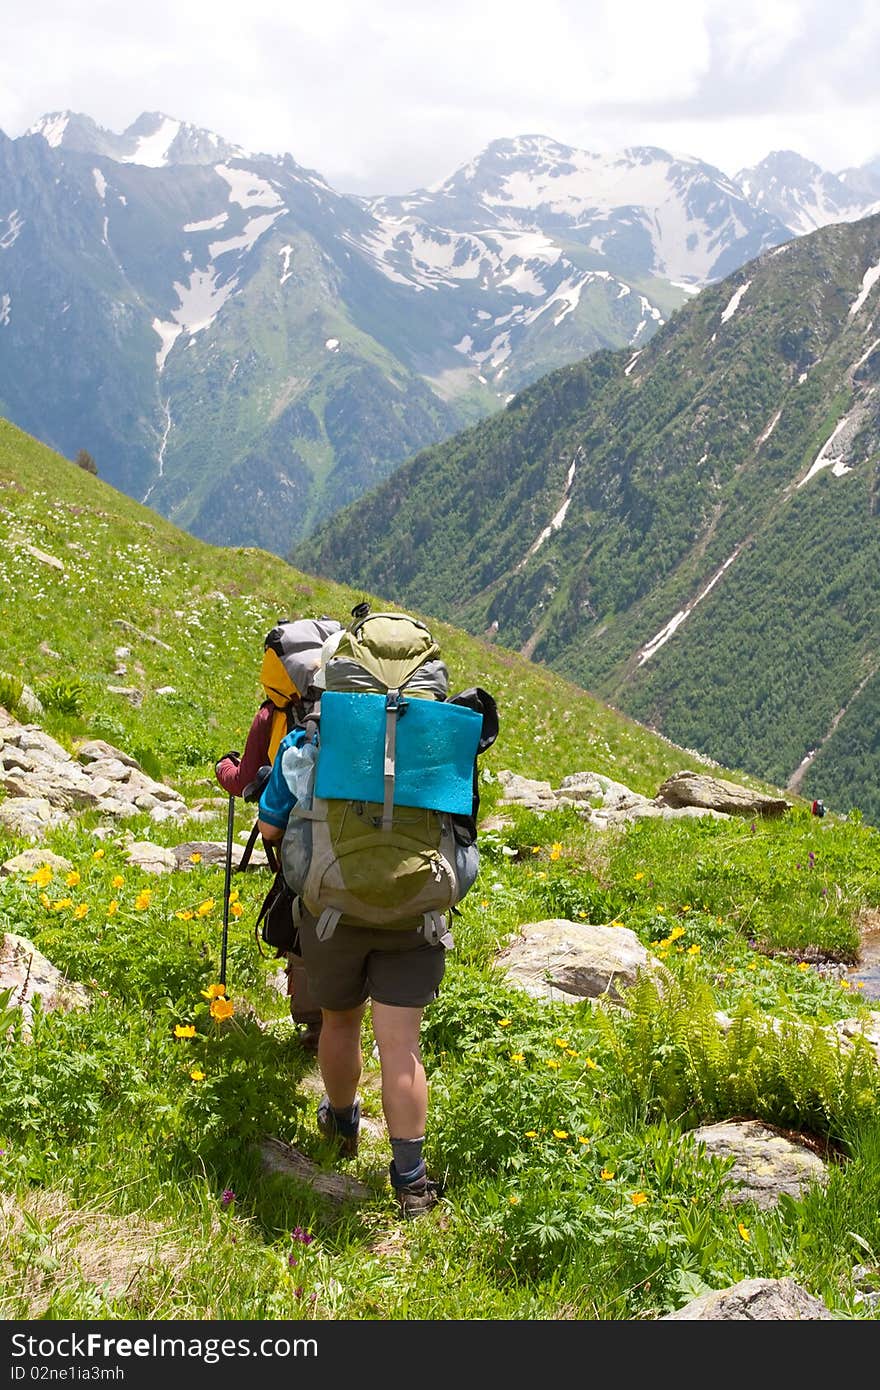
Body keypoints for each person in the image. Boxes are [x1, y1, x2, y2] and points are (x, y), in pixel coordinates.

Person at [256, 710, 448, 1220]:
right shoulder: (437, 735)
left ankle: (341, 1127)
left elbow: (270, 828)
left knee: (340, 1022)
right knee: (402, 1046)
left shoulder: (311, 737)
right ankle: (411, 1183)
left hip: (331, 914)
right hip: (413, 914)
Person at [214, 620, 338, 1052]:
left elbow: (244, 779)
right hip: (352, 830)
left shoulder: (272, 715)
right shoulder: (353, 710)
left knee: (301, 917)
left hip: (292, 837)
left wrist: (222, 768)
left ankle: (313, 1025)